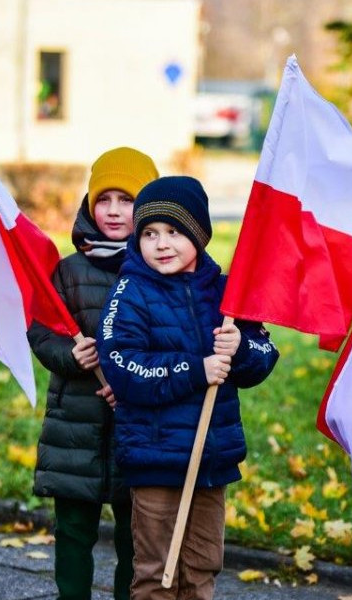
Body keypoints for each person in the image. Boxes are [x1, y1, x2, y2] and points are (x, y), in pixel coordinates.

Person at [97, 175, 279, 600]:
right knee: (157, 571)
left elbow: (265, 354)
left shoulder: (226, 292)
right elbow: (121, 365)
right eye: (149, 234)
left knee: (201, 565)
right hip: (156, 459)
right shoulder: (130, 292)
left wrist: (241, 347)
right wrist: (195, 370)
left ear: (199, 233)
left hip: (211, 460)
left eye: (174, 232)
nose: (161, 244)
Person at [27, 147, 159, 600]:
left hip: (135, 428)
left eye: (128, 200)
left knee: (135, 537)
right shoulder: (68, 272)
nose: (115, 211)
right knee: (73, 532)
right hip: (75, 429)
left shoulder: (159, 272)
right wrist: (70, 354)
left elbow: (170, 340)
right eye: (105, 199)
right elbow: (41, 331)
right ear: (89, 204)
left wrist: (134, 383)